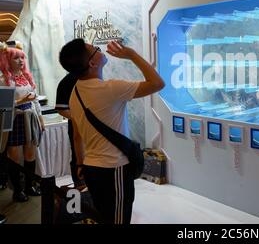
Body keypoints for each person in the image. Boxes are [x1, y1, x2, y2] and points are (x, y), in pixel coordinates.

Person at [58, 39, 165, 224]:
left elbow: (77, 136)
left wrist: (80, 165)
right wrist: (131, 54)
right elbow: (157, 83)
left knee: (104, 216)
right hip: (113, 168)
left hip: (92, 167)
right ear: (92, 63)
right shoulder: (111, 88)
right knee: (118, 219)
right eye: (96, 49)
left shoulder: (75, 93)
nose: (101, 51)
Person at [0, 41, 45, 202]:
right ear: (7, 59)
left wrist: (40, 119)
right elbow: (3, 105)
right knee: (14, 157)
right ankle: (18, 190)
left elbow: (36, 101)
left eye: (22, 58)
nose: (20, 61)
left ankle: (29, 186)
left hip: (30, 118)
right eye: (16, 58)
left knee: (30, 154)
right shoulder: (4, 79)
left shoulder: (26, 76)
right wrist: (22, 100)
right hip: (14, 120)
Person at [55, 73, 85, 188]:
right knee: (79, 155)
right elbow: (62, 109)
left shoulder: (95, 78)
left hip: (96, 128)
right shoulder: (68, 81)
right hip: (78, 125)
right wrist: (79, 118)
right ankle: (80, 186)